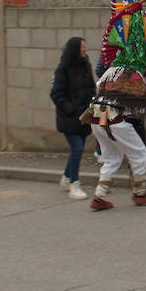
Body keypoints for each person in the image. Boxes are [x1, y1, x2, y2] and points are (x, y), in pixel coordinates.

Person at [86, 0, 146, 211]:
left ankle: (100, 195)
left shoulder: (109, 72)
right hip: (117, 120)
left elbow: (102, 88)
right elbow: (144, 100)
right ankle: (140, 192)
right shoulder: (133, 74)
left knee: (111, 157)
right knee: (139, 154)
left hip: (96, 119)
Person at [50, 37, 95, 200]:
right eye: (83, 47)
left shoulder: (86, 65)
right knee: (77, 149)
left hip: (85, 116)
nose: (85, 50)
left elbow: (90, 87)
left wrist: (93, 106)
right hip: (69, 118)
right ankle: (74, 185)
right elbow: (56, 94)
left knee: (78, 149)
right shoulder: (63, 68)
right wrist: (71, 110)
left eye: (85, 46)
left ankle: (66, 178)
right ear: (75, 49)